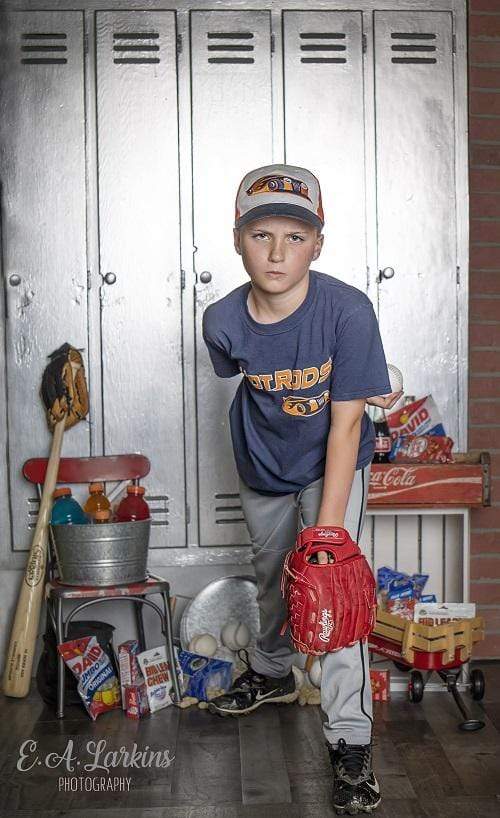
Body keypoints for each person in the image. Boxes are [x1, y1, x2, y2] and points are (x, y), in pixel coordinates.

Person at [202, 164, 402, 815]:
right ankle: (269, 674)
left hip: (330, 467)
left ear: (319, 242)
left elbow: (347, 426)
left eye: (296, 235)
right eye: (262, 235)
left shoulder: (348, 312)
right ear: (237, 240)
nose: (278, 252)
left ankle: (349, 744)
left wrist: (328, 538)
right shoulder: (221, 322)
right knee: (269, 582)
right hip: (262, 467)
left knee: (331, 597)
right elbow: (240, 390)